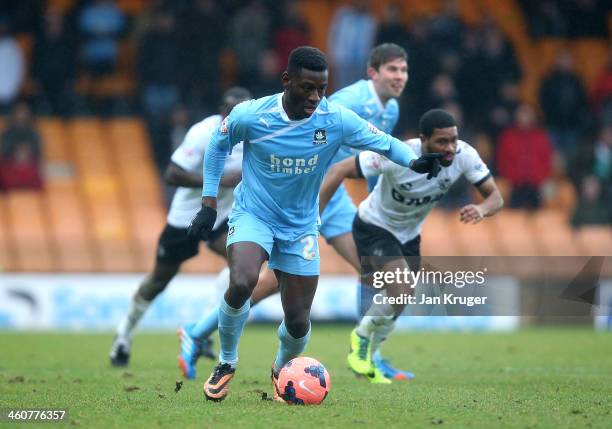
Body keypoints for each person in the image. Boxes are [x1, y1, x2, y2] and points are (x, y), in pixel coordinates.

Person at [187, 46, 442, 402]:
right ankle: (227, 361)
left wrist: (413, 163)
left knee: (297, 319)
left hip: (301, 225)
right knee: (243, 279)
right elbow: (218, 145)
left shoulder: (333, 118)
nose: (315, 97)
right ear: (287, 80)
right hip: (254, 214)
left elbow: (383, 143)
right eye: (307, 88)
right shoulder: (252, 115)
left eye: (321, 88)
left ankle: (281, 371)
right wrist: (209, 203)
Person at [318, 109, 503, 382]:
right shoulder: (398, 155)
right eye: (442, 142)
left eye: (453, 139)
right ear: (423, 139)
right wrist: (314, 216)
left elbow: (495, 198)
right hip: (374, 226)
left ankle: (372, 360)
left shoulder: (464, 155)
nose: (450, 147)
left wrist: (481, 209)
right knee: (401, 286)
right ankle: (359, 340)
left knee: (401, 300)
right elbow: (339, 169)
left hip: (410, 234)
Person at [108, 87, 252, 369]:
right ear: (222, 111)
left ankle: (201, 331)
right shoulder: (203, 132)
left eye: (243, 112)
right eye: (232, 111)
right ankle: (123, 334)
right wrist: (219, 180)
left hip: (223, 217)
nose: (237, 117)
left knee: (243, 268)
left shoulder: (254, 135)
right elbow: (172, 173)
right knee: (159, 280)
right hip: (188, 215)